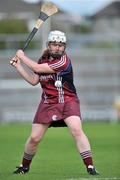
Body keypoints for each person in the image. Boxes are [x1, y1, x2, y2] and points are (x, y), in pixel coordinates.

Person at [11, 30, 99, 175]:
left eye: (61, 45)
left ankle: (90, 167)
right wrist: (18, 66)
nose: (58, 47)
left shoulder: (63, 61)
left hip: (67, 100)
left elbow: (37, 68)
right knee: (34, 138)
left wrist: (22, 56)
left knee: (76, 130)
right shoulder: (42, 59)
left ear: (64, 47)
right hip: (47, 103)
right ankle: (24, 166)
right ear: (49, 45)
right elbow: (34, 81)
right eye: (54, 44)